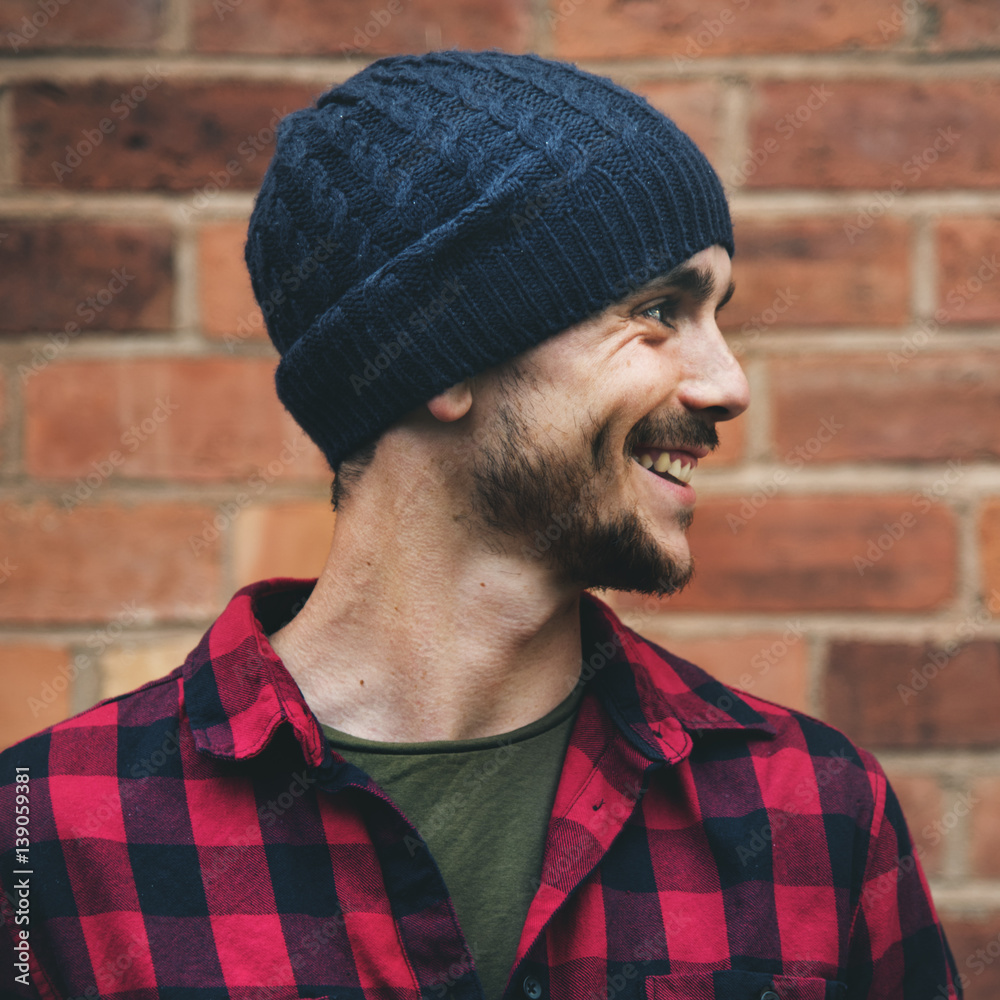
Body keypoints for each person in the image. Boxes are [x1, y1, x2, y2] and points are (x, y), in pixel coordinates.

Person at [1, 50, 961, 1000]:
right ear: (437, 364)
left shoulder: (811, 811)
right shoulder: (52, 843)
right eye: (660, 310)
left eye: (718, 314)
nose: (728, 385)